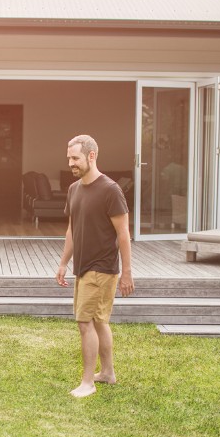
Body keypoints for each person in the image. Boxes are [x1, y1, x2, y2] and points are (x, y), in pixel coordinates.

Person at [55, 135, 134, 398]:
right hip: (83, 265)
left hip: (102, 267)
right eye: (69, 158)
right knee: (100, 322)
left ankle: (87, 382)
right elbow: (72, 228)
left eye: (75, 158)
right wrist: (64, 262)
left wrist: (127, 272)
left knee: (85, 322)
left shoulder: (110, 190)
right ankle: (108, 373)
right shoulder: (74, 189)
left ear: (92, 156)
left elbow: (123, 234)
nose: (71, 163)